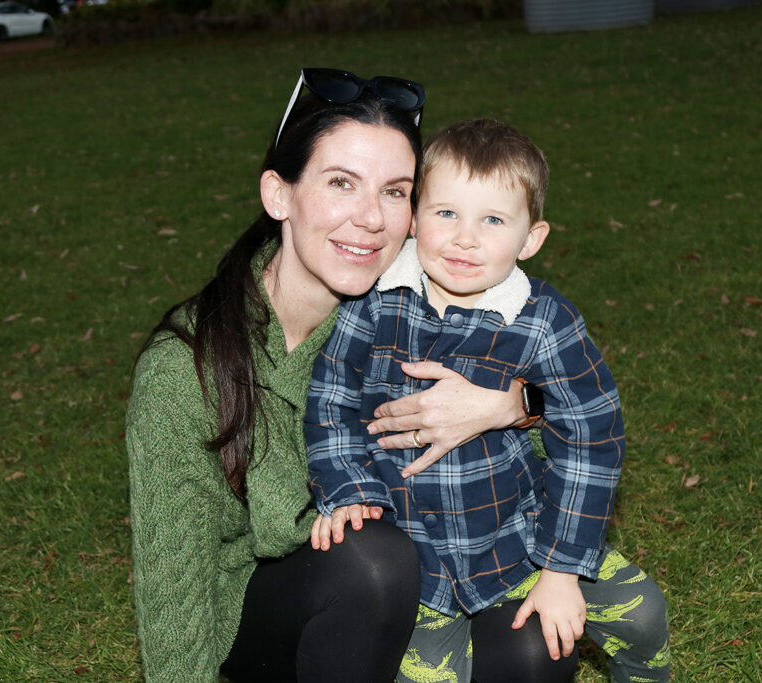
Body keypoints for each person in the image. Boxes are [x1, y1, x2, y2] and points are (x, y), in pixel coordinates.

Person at [126, 70, 540, 682]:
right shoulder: (187, 368)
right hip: (264, 617)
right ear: (278, 194)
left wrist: (511, 404)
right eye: (341, 183)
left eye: (396, 191)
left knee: (534, 646)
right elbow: (173, 581)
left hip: (425, 583)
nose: (371, 218)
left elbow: (559, 429)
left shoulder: (425, 308)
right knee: (371, 558)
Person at [305, 119, 671, 683]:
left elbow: (591, 439)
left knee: (643, 614)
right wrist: (349, 488)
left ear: (531, 239)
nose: (464, 238)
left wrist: (560, 569)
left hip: (518, 538)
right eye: (446, 213)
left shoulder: (546, 321)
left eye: (493, 220)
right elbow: (331, 400)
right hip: (414, 557)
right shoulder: (373, 303)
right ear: (415, 217)